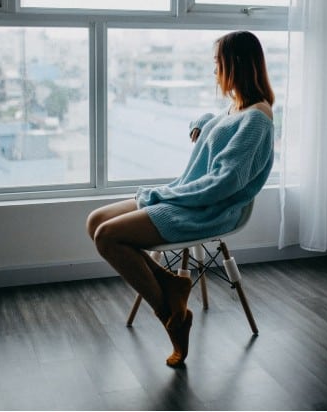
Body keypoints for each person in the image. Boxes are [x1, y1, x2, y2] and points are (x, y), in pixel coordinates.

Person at [86, 30, 275, 367]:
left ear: (236, 65)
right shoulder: (237, 108)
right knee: (96, 220)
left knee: (107, 236)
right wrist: (200, 122)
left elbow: (225, 183)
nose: (214, 71)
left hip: (209, 210)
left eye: (218, 63)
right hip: (191, 197)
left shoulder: (257, 119)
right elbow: (217, 124)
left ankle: (170, 316)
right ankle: (172, 288)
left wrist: (164, 195)